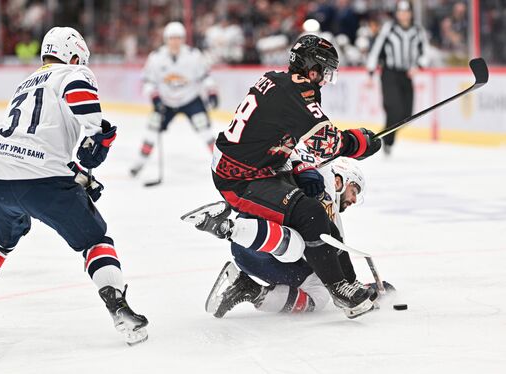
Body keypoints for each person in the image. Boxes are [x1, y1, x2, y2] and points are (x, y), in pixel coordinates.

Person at [0, 27, 148, 345]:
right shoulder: (73, 73)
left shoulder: (25, 82)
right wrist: (100, 139)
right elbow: (91, 130)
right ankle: (120, 309)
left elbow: (32, 138)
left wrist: (76, 171)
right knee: (95, 239)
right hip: (41, 178)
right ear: (73, 56)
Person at [182, 34, 382, 319]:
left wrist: (298, 166)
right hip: (241, 179)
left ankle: (347, 283)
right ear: (312, 69)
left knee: (319, 211)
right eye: (325, 73)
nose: (326, 80)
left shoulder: (280, 83)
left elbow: (279, 139)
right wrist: (360, 142)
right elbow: (326, 143)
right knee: (311, 214)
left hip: (256, 168)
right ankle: (338, 287)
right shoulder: (297, 93)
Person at [201, 157, 391, 318]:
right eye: (354, 190)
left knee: (316, 260)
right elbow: (333, 251)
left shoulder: (311, 180)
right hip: (262, 246)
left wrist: (356, 286)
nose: (354, 199)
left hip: (250, 245)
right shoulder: (324, 193)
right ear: (339, 181)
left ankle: (244, 283)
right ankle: (248, 281)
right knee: (319, 293)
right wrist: (352, 284)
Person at [130, 21, 219, 177]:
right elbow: (147, 81)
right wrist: (155, 98)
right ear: (166, 39)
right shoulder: (156, 57)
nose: (175, 41)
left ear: (183, 39)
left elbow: (205, 77)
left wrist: (212, 92)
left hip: (191, 99)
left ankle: (222, 163)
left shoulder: (194, 55)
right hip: (166, 102)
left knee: (205, 131)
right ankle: (139, 163)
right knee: (152, 130)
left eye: (178, 38)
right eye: (172, 38)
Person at [366, 0, 429, 155]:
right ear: (396, 13)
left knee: (407, 113)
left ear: (411, 13)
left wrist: (418, 66)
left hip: (406, 75)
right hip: (389, 74)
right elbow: (376, 49)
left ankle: (385, 137)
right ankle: (386, 141)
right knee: (394, 108)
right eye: (401, 12)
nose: (403, 15)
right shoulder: (389, 28)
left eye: (406, 11)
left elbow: (425, 52)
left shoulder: (417, 29)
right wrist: (371, 71)